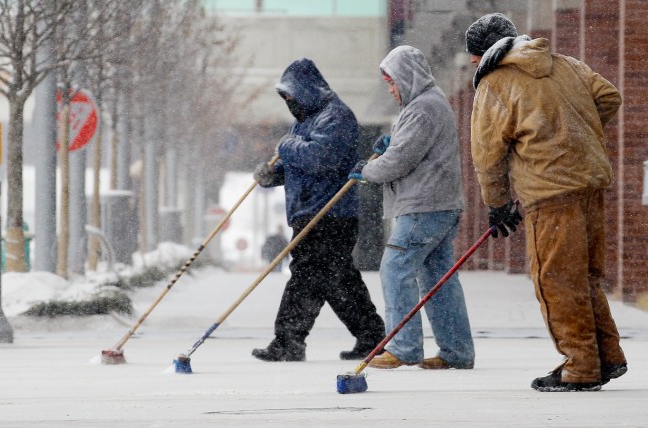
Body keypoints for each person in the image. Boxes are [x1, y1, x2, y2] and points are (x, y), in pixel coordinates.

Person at [465, 13, 628, 391]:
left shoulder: (496, 84)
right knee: (584, 276)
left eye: (473, 57)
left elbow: (488, 155)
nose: (473, 63)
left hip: (550, 192)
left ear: (483, 54)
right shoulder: (566, 64)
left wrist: (498, 203)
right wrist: (575, 135)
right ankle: (607, 355)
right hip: (590, 184)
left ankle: (581, 367)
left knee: (555, 280)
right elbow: (608, 96)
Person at [347, 45, 475, 370]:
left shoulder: (422, 108)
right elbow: (404, 150)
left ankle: (403, 347)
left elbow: (399, 162)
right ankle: (457, 351)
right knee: (437, 278)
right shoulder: (427, 105)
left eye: (392, 82)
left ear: (407, 77)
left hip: (423, 206)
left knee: (395, 268)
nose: (391, 90)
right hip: (439, 204)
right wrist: (391, 142)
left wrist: (368, 170)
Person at [251, 58, 386, 362]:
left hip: (329, 213)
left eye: (291, 97)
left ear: (306, 90)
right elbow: (300, 166)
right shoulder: (307, 120)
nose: (289, 104)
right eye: (285, 99)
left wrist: (285, 149)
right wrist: (275, 174)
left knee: (308, 276)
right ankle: (372, 336)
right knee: (336, 280)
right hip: (312, 212)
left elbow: (321, 159)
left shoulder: (336, 117)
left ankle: (289, 341)